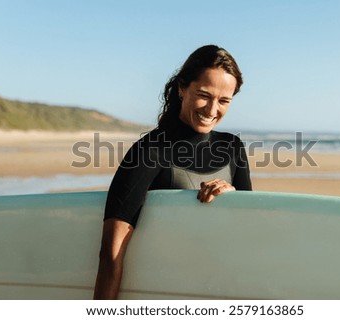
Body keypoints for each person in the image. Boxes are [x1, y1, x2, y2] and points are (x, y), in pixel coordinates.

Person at [93, 44, 252, 299]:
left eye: (223, 101)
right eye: (203, 95)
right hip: (169, 291)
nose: (212, 110)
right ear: (182, 88)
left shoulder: (232, 148)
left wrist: (232, 195)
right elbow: (111, 254)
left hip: (220, 290)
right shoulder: (150, 151)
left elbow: (251, 231)